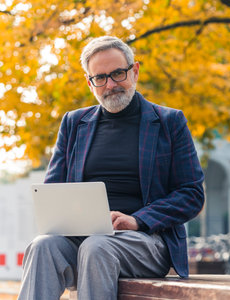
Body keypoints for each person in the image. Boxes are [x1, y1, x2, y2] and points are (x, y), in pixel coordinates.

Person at [18, 36, 205, 300]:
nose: (111, 85)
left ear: (135, 70)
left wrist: (138, 220)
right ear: (90, 82)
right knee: (42, 246)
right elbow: (53, 191)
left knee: (97, 247)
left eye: (118, 73)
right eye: (100, 78)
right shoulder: (73, 123)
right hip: (82, 239)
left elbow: (191, 193)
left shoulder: (169, 122)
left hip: (147, 241)